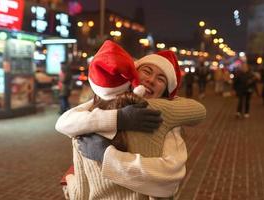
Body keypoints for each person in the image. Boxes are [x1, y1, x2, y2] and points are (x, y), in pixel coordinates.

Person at [56, 41, 206, 199]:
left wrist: (107, 156)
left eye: (161, 79)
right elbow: (64, 122)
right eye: (147, 71)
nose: (151, 80)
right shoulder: (99, 106)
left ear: (165, 91)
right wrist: (118, 119)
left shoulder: (161, 120)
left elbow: (169, 177)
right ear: (132, 73)